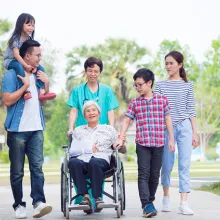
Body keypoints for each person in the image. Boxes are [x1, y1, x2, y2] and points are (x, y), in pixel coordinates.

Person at [2, 39, 52, 219]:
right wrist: (24, 86)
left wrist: (46, 84)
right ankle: (19, 205)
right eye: (38, 55)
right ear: (27, 56)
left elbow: (44, 101)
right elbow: (7, 100)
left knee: (37, 169)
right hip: (17, 131)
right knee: (17, 172)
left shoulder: (40, 73)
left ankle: (38, 202)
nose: (40, 58)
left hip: (36, 129)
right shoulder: (11, 75)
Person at [118, 68, 175, 218]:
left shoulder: (162, 100)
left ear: (149, 83)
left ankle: (149, 202)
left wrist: (171, 139)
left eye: (139, 85)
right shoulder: (135, 102)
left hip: (158, 143)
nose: (137, 88)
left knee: (155, 175)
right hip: (142, 144)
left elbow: (168, 119)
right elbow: (127, 120)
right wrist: (121, 135)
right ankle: (146, 204)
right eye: (135, 85)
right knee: (143, 174)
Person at [154, 51, 199, 215]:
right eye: (166, 63)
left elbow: (191, 110)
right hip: (166, 129)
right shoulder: (160, 85)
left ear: (180, 65)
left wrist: (195, 133)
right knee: (166, 165)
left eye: (171, 63)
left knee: (184, 164)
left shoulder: (188, 85)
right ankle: (166, 197)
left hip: (184, 127)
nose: (168, 66)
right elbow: (157, 109)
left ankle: (183, 202)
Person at [68, 100, 124, 213]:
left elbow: (121, 149)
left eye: (93, 110)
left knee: (94, 162)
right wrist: (87, 148)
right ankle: (86, 197)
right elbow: (73, 151)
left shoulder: (109, 129)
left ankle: (97, 198)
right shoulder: (78, 130)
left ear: (99, 113)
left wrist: (120, 143)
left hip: (101, 161)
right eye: (88, 111)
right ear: (84, 115)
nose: (91, 113)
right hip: (82, 161)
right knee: (73, 162)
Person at [4, 13, 56, 100]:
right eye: (28, 25)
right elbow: (16, 55)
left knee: (41, 68)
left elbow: (30, 55)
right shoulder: (15, 39)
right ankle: (25, 90)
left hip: (22, 60)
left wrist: (34, 66)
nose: (31, 28)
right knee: (19, 66)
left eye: (33, 25)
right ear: (21, 25)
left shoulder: (29, 39)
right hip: (11, 60)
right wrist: (26, 65)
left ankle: (42, 91)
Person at [67, 56, 119, 132]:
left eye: (96, 71)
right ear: (85, 72)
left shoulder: (107, 90)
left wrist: (111, 128)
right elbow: (73, 111)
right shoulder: (77, 90)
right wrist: (71, 129)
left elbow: (110, 111)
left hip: (102, 131)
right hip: (82, 131)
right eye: (90, 71)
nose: (93, 74)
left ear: (100, 73)